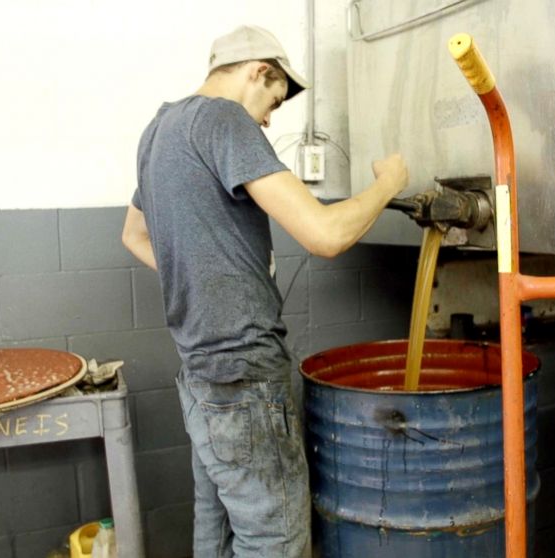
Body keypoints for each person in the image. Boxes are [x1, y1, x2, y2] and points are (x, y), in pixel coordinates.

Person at [120, 25, 408, 558]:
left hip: (201, 380)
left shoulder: (158, 130)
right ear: (258, 71)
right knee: (275, 541)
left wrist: (207, 269)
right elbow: (326, 235)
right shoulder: (223, 118)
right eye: (273, 101)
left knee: (218, 533)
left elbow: (134, 235)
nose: (270, 120)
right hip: (244, 380)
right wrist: (388, 183)